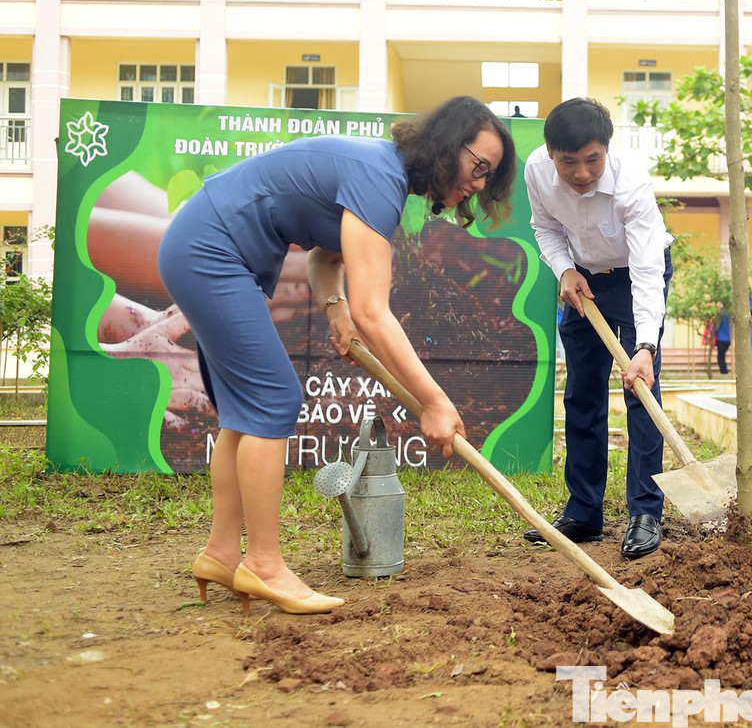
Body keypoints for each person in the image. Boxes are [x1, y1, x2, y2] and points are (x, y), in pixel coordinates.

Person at [157, 96, 516, 614]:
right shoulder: (377, 175)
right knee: (273, 400)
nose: (479, 184)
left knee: (244, 415)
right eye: (478, 167)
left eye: (489, 176)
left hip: (206, 247)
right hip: (212, 251)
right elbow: (377, 313)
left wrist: (335, 309)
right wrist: (434, 401)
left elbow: (324, 255)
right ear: (445, 145)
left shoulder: (378, 173)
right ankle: (262, 564)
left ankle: (219, 553)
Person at [521, 98, 674, 560]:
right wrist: (564, 270)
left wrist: (645, 345)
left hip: (634, 277)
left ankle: (646, 511)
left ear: (607, 149)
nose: (583, 173)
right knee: (582, 393)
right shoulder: (536, 171)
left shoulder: (632, 187)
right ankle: (584, 512)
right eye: (570, 162)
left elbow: (648, 269)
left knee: (640, 392)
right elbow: (544, 227)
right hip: (582, 280)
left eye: (593, 160)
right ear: (550, 154)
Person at [714, 310, 732, 375]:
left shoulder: (721, 315)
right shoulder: (731, 315)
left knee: (721, 356)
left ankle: (724, 371)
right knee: (722, 355)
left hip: (721, 338)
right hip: (729, 338)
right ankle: (724, 370)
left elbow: (717, 327)